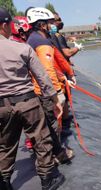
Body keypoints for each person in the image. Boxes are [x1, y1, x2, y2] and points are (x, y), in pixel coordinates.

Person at [0, 7, 64, 190]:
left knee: (5, 146)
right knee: (41, 140)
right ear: (5, 25)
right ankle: (46, 180)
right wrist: (55, 100)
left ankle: (4, 181)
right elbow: (43, 77)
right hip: (28, 102)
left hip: (2, 107)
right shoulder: (22, 48)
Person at [26, 7, 74, 164]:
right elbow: (47, 70)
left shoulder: (31, 39)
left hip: (35, 89)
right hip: (44, 92)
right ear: (41, 25)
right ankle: (56, 155)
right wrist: (57, 92)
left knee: (43, 125)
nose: (53, 25)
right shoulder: (42, 42)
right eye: (50, 23)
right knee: (52, 124)